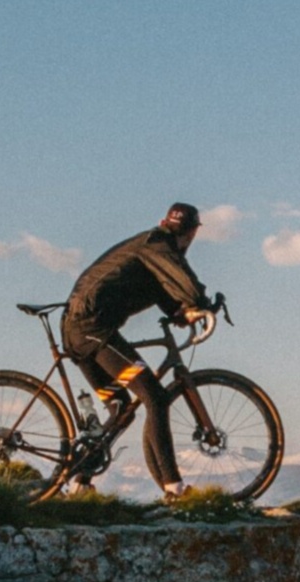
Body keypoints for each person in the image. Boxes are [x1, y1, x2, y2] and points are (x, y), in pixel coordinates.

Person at [61, 203, 212, 494]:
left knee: (120, 408)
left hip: (79, 330)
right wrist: (201, 304)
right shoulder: (159, 244)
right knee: (155, 397)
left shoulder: (150, 247)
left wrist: (180, 313)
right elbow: (183, 280)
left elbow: (161, 289)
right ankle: (174, 487)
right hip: (93, 331)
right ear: (192, 233)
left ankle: (80, 481)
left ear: (164, 221)